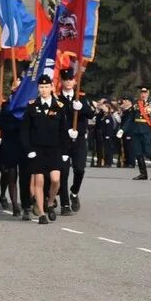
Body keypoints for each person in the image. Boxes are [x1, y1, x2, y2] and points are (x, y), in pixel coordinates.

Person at [19, 73, 66, 225]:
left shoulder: (59, 107)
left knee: (55, 179)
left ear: (52, 87)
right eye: (41, 87)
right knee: (39, 180)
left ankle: (50, 202)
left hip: (54, 148)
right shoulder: (32, 106)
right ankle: (41, 213)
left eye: (46, 87)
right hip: (37, 149)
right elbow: (25, 130)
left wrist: (66, 150)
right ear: (38, 88)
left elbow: (63, 130)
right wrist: (28, 149)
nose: (44, 90)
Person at [57, 71, 90, 214]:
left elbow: (91, 114)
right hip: (63, 140)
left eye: (70, 79)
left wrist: (81, 108)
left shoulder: (81, 97)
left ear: (75, 81)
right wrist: (66, 131)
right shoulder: (57, 99)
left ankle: (74, 192)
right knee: (63, 173)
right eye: (65, 79)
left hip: (79, 140)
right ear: (61, 81)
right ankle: (64, 205)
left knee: (80, 169)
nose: (68, 82)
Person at [121, 86, 151, 181]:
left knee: (148, 151)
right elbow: (130, 118)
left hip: (147, 130)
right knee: (138, 152)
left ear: (148, 92)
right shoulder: (137, 102)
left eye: (145, 92)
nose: (143, 94)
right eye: (141, 92)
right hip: (136, 130)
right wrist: (123, 129)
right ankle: (143, 173)